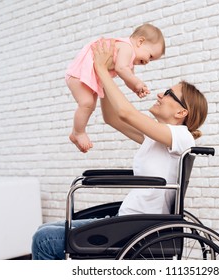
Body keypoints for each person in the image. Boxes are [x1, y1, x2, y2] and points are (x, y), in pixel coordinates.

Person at [31, 39, 208, 260]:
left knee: (45, 240)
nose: (159, 95)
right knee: (42, 232)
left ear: (182, 112)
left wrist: (102, 69)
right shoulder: (156, 137)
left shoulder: (181, 137)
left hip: (138, 231)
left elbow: (126, 113)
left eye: (168, 93)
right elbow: (112, 117)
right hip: (128, 222)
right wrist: (104, 80)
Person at [66, 23, 165, 153]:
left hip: (92, 75)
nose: (147, 62)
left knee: (90, 106)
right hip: (79, 73)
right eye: (150, 56)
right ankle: (78, 132)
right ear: (140, 42)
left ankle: (77, 132)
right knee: (87, 103)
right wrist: (137, 82)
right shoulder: (127, 48)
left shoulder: (130, 57)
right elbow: (121, 69)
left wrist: (135, 87)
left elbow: (126, 76)